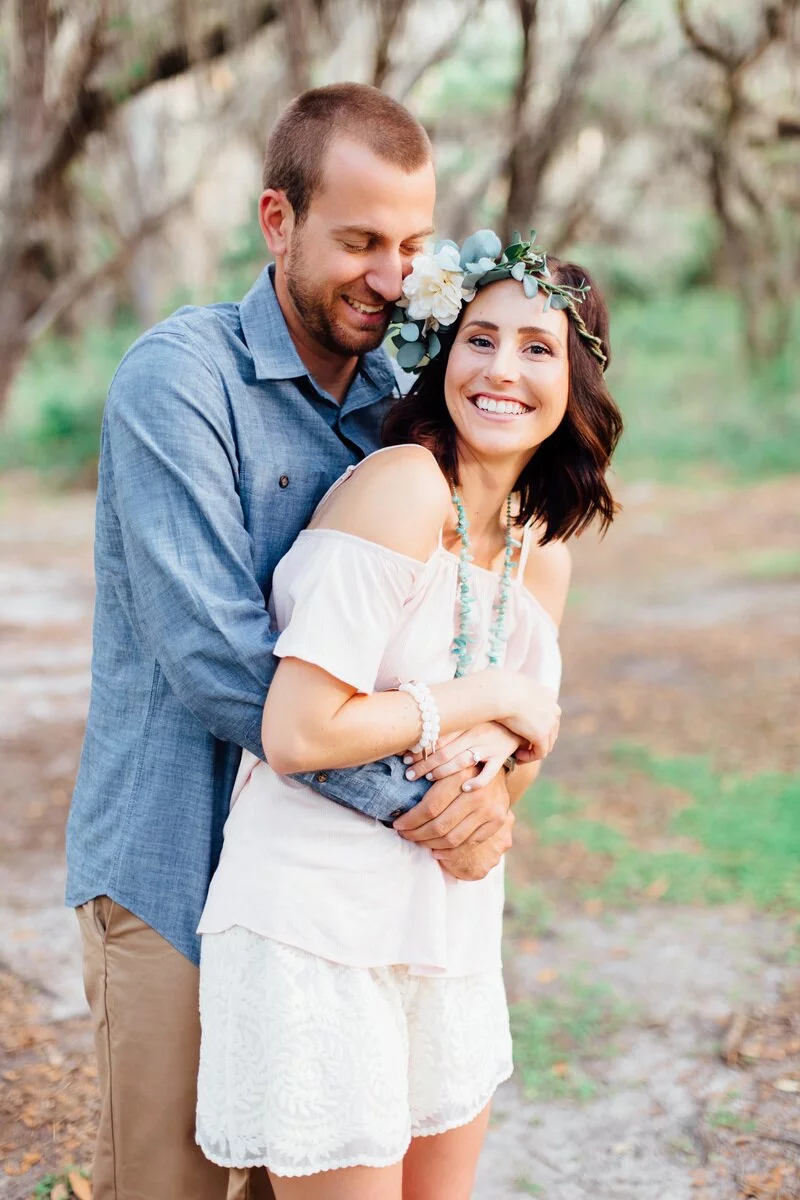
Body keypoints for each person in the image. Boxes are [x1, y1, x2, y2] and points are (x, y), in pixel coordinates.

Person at [64, 83, 522, 1200]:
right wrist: (425, 809)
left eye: (413, 244)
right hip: (176, 863)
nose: (388, 275)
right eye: (357, 240)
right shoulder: (178, 383)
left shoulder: (406, 404)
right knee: (169, 1187)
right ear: (278, 222)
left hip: (328, 899)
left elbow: (466, 615)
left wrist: (502, 771)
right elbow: (222, 662)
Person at [194, 230, 623, 1198]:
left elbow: (510, 780)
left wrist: (504, 774)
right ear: (440, 353)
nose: (501, 370)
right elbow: (299, 734)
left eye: (537, 347)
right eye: (479, 339)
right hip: (317, 926)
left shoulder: (537, 553)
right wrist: (487, 700)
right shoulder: (400, 489)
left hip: (448, 930)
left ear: (577, 383)